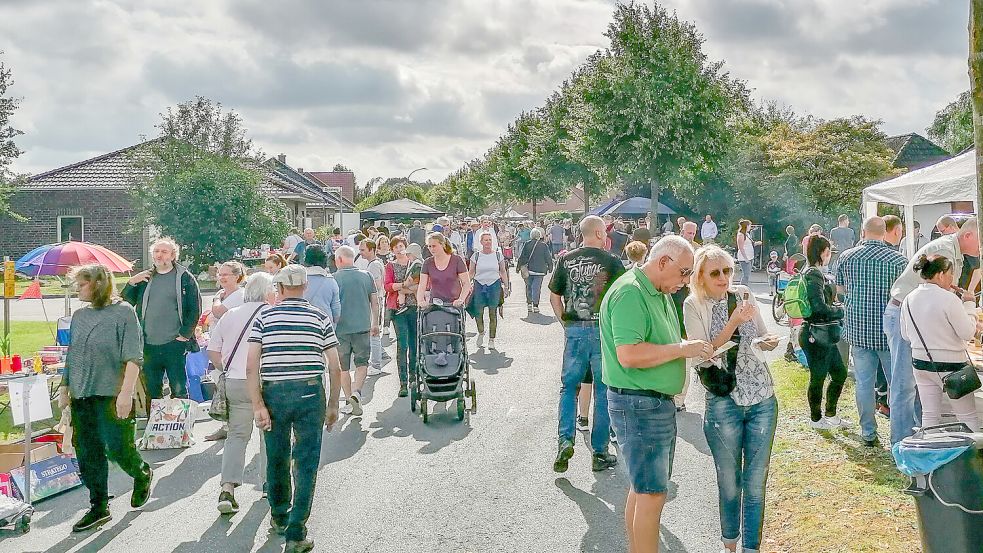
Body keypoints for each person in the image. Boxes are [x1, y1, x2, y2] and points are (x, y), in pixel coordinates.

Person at [601, 236, 710, 553]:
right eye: (684, 272)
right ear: (663, 262)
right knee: (652, 493)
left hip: (648, 402)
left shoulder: (655, 289)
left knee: (643, 489)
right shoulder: (631, 293)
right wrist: (682, 349)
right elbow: (630, 355)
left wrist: (691, 347)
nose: (685, 281)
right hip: (639, 403)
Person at [683, 246, 779, 553]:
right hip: (724, 399)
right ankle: (730, 544)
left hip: (761, 395)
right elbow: (703, 352)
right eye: (715, 273)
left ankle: (752, 547)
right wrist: (733, 323)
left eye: (727, 270)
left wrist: (768, 340)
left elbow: (760, 336)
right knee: (729, 480)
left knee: (755, 481)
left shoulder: (744, 294)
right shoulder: (693, 304)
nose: (724, 277)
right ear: (701, 277)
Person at [246, 264, 341, 553]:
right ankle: (297, 532)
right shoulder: (319, 317)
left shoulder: (265, 316)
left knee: (276, 456)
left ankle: (279, 516)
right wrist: (334, 403)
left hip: (274, 391)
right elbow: (335, 367)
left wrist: (257, 404)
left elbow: (251, 366)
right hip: (310, 390)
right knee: (307, 460)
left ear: (280, 289)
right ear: (305, 288)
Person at [60, 264, 154, 533]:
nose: (77, 289)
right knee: (87, 452)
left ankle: (141, 473)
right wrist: (65, 389)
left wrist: (125, 394)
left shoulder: (123, 312)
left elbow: (133, 356)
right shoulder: (79, 316)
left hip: (112, 394)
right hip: (82, 394)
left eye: (82, 285)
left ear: (99, 284)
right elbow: (73, 354)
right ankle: (99, 506)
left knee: (118, 449)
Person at [885, 217, 979, 443]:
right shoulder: (944, 252)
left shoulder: (921, 293)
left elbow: (913, 332)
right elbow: (964, 329)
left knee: (927, 407)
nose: (980, 249)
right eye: (980, 242)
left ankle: (923, 447)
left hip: (920, 349)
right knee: (903, 385)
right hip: (941, 355)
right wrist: (968, 305)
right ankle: (901, 440)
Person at [549, 215, 625, 473]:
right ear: (600, 233)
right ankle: (600, 451)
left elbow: (554, 296)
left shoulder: (565, 259)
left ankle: (565, 440)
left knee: (569, 388)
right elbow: (622, 298)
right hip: (602, 330)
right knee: (604, 390)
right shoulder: (611, 261)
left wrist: (566, 324)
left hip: (574, 329)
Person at [835, 217, 907, 446]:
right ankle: (899, 435)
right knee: (897, 384)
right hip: (888, 332)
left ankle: (868, 433)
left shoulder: (847, 257)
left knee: (864, 384)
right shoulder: (898, 261)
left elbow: (840, 290)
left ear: (863, 232)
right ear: (885, 232)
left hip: (858, 329)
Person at [208, 272, 275, 514]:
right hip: (265, 381)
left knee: (237, 435)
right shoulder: (271, 315)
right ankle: (270, 484)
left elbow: (213, 350)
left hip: (236, 380)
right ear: (269, 293)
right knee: (269, 434)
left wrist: (226, 367)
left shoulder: (230, 315)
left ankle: (228, 488)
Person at [900, 255, 982, 432]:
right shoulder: (949, 300)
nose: (952, 279)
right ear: (940, 275)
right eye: (950, 274)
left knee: (929, 414)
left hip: (921, 362)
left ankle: (930, 450)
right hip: (951, 365)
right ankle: (974, 455)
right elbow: (967, 332)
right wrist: (969, 306)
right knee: (967, 416)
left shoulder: (909, 298)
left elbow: (906, 335)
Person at [121, 237, 202, 400]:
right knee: (152, 391)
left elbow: (194, 309)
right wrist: (131, 282)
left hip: (174, 343)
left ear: (173, 256)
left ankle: (180, 425)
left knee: (179, 390)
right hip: (148, 344)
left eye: (164, 252)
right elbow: (124, 304)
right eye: (156, 252)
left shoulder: (185, 278)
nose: (159, 255)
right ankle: (155, 424)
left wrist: (184, 335)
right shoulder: (145, 278)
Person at [798, 236, 849, 431]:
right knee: (818, 376)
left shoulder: (811, 272)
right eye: (828, 252)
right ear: (821, 253)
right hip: (816, 332)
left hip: (821, 332)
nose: (829, 256)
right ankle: (816, 418)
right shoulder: (814, 274)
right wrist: (840, 310)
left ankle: (830, 414)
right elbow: (818, 307)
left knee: (839, 373)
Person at [333, 245, 380, 416]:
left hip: (341, 330)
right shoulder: (366, 276)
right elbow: (375, 302)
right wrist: (375, 322)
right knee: (362, 363)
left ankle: (348, 399)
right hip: (362, 326)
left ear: (339, 260)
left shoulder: (333, 279)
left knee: (343, 368)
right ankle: (357, 392)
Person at [205, 260, 247, 442]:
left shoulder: (239, 295)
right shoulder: (223, 294)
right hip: (218, 345)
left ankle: (231, 426)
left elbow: (218, 312)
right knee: (218, 382)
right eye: (219, 274)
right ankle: (226, 424)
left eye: (225, 274)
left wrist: (215, 300)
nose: (221, 277)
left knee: (228, 385)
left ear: (237, 277)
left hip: (231, 347)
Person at [384, 237, 420, 397]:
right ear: (392, 250)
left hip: (414, 306)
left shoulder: (416, 264)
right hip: (398, 310)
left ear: (405, 247)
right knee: (402, 344)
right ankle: (403, 382)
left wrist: (403, 290)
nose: (398, 249)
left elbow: (423, 285)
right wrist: (403, 285)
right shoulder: (390, 266)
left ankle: (414, 376)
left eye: (400, 246)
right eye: (395, 247)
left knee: (414, 343)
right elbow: (387, 286)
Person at [469, 233, 510, 350]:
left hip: (494, 285)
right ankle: (481, 332)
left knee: (493, 313)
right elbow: (471, 272)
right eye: (485, 240)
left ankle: (492, 339)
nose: (488, 242)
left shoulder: (498, 255)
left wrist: (506, 286)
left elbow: (503, 271)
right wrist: (465, 285)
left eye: (490, 240)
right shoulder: (476, 256)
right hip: (479, 285)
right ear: (481, 242)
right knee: (478, 312)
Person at [356, 239, 387, 375]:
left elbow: (378, 284)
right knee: (373, 332)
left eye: (363, 250)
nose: (360, 252)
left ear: (371, 249)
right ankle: (382, 353)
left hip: (374, 300)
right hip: (375, 299)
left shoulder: (374, 265)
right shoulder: (374, 263)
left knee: (373, 332)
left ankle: (376, 364)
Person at [417, 232, 472, 308]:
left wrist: (461, 299)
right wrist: (420, 301)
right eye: (429, 246)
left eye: (434, 246)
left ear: (442, 245)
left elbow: (466, 283)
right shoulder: (427, 262)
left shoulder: (457, 260)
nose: (431, 249)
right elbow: (422, 285)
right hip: (435, 304)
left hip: (454, 304)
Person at [516, 228, 553, 313]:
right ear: (539, 235)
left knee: (528, 287)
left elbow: (522, 257)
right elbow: (548, 257)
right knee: (536, 288)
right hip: (540, 270)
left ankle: (529, 304)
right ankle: (535, 305)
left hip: (528, 269)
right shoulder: (543, 245)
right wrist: (550, 267)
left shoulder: (527, 244)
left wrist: (518, 267)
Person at [302, 244, 341, 325]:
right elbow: (336, 312)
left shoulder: (299, 279)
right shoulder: (330, 281)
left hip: (303, 322)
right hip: (324, 324)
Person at [735, 219, 757, 287]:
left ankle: (745, 287)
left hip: (750, 256)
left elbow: (749, 244)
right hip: (744, 257)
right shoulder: (741, 235)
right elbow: (740, 247)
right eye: (749, 225)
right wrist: (745, 258)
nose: (750, 227)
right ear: (746, 226)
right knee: (746, 275)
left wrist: (756, 243)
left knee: (748, 274)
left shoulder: (747, 234)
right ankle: (742, 288)